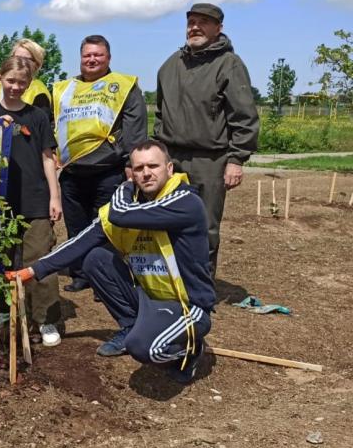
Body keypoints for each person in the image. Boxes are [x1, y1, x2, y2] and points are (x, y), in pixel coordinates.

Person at [14, 140, 214, 383]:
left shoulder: (183, 202)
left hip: (188, 305)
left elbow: (119, 213)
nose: (146, 173)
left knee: (147, 349)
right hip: (151, 297)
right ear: (132, 170)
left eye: (153, 166)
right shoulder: (134, 203)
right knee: (95, 259)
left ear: (169, 168)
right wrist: (34, 269)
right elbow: (83, 239)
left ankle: (192, 347)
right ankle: (132, 325)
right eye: (139, 168)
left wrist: (124, 188)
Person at [155, 3, 259, 274]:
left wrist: (236, 159)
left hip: (209, 160)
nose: (195, 27)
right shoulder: (170, 65)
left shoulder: (229, 65)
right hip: (171, 158)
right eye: (191, 22)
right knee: (165, 219)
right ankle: (167, 281)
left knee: (204, 225)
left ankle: (200, 285)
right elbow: (159, 113)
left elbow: (244, 116)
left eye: (203, 22)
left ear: (218, 28)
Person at [53, 35, 147, 292]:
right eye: (87, 55)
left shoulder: (123, 86)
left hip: (108, 169)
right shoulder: (65, 89)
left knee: (106, 228)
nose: (92, 59)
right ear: (80, 58)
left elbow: (135, 128)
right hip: (72, 171)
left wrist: (133, 162)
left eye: (98, 55)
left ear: (109, 58)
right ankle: (80, 274)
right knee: (76, 228)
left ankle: (104, 280)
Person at [0, 56, 63, 346]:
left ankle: (45, 320)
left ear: (29, 83)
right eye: (10, 81)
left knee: (39, 259)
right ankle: (4, 312)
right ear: (0, 78)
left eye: (22, 82)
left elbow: (47, 158)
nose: (16, 87)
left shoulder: (38, 117)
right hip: (1, 202)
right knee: (1, 258)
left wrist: (54, 197)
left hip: (35, 199)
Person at [0, 39, 54, 122]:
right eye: (16, 57)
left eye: (27, 59)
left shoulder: (40, 92)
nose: (20, 62)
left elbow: (39, 125)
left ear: (37, 64)